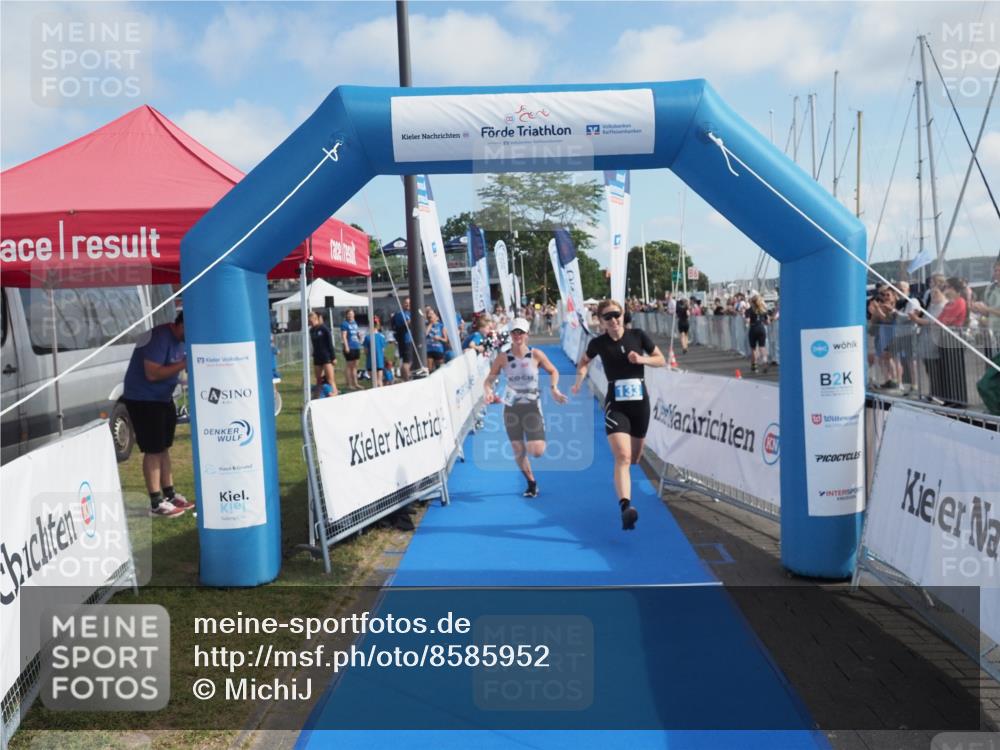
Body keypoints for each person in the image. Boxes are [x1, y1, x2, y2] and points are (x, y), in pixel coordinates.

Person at [571, 300, 665, 530]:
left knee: (634, 458)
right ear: (601, 322)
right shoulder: (598, 343)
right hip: (616, 405)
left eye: (617, 315)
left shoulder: (638, 336)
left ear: (622, 316)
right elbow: (583, 361)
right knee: (622, 456)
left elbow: (660, 359)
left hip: (640, 404)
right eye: (608, 317)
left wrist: (642, 359)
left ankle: (626, 496)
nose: (613, 320)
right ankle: (626, 508)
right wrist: (579, 379)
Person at [484, 317, 567, 498]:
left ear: (527, 334)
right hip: (511, 407)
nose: (517, 336)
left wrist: (554, 388)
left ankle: (539, 435)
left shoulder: (536, 355)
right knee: (517, 449)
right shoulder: (503, 358)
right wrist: (488, 391)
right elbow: (489, 380)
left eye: (521, 332)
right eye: (514, 332)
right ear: (510, 335)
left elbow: (553, 370)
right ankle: (531, 483)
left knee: (536, 451)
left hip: (531, 407)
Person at [123, 311, 193, 517]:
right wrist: (183, 364)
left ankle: (169, 495)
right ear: (181, 324)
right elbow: (152, 373)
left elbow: (172, 371)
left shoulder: (180, 341)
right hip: (143, 400)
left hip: (163, 399)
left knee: (164, 447)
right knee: (153, 450)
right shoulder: (160, 337)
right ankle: (156, 502)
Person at [309, 311, 338, 397]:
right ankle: (317, 395)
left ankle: (335, 392)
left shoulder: (324, 329)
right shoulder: (311, 330)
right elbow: (314, 344)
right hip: (317, 357)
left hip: (326, 356)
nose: (310, 323)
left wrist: (333, 357)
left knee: (330, 379)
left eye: (312, 321)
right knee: (318, 379)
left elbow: (330, 343)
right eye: (309, 322)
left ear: (316, 319)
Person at [745, 295, 770, 373]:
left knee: (753, 348)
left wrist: (746, 322)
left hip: (753, 328)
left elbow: (747, 321)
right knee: (762, 347)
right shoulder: (763, 310)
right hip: (761, 328)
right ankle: (765, 362)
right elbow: (768, 322)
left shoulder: (749, 310)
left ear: (752, 302)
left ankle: (754, 366)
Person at [390, 297, 413, 381]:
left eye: (409, 303)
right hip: (406, 341)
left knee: (409, 361)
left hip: (409, 340)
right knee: (407, 361)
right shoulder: (401, 314)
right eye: (406, 303)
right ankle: (406, 380)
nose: (408, 304)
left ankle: (407, 377)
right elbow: (407, 324)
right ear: (402, 304)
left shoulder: (409, 313)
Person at [340, 309, 363, 390]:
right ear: (346, 315)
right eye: (349, 314)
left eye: (352, 314)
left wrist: (359, 336)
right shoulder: (344, 324)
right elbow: (344, 336)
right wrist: (346, 346)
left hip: (356, 346)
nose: (351, 316)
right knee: (349, 366)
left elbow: (356, 333)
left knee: (355, 366)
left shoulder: (355, 323)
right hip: (350, 347)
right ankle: (349, 384)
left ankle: (356, 383)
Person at [362, 317, 387, 387]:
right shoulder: (382, 336)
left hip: (370, 362)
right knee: (379, 380)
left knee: (374, 381)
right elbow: (383, 350)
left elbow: (365, 351)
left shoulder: (367, 337)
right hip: (379, 361)